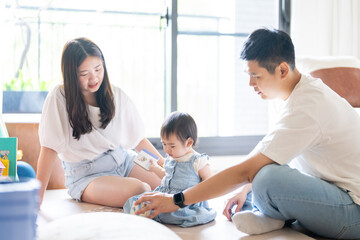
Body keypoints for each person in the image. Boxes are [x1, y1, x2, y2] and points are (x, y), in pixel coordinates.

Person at [134, 28, 360, 239]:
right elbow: (262, 153)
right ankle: (270, 213)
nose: (251, 83)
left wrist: (176, 200)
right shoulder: (295, 95)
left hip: (353, 210)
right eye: (248, 75)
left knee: (267, 179)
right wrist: (244, 189)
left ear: (282, 69)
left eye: (256, 76)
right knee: (257, 179)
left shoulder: (308, 106)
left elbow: (248, 169)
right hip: (333, 192)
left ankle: (273, 215)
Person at [36, 37, 164, 207]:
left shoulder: (115, 94)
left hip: (122, 159)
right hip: (86, 175)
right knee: (140, 190)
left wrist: (168, 169)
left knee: (169, 186)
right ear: (71, 75)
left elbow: (139, 141)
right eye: (84, 74)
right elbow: (48, 149)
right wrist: (35, 202)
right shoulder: (58, 97)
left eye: (98, 69)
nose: (94, 78)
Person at [124, 111, 217, 227]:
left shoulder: (198, 161)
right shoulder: (171, 158)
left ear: (189, 143)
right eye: (164, 144)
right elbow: (166, 176)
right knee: (136, 201)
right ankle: (153, 213)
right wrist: (154, 168)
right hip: (164, 193)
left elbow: (208, 184)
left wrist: (196, 199)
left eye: (172, 146)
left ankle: (158, 214)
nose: (167, 150)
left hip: (184, 201)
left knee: (174, 213)